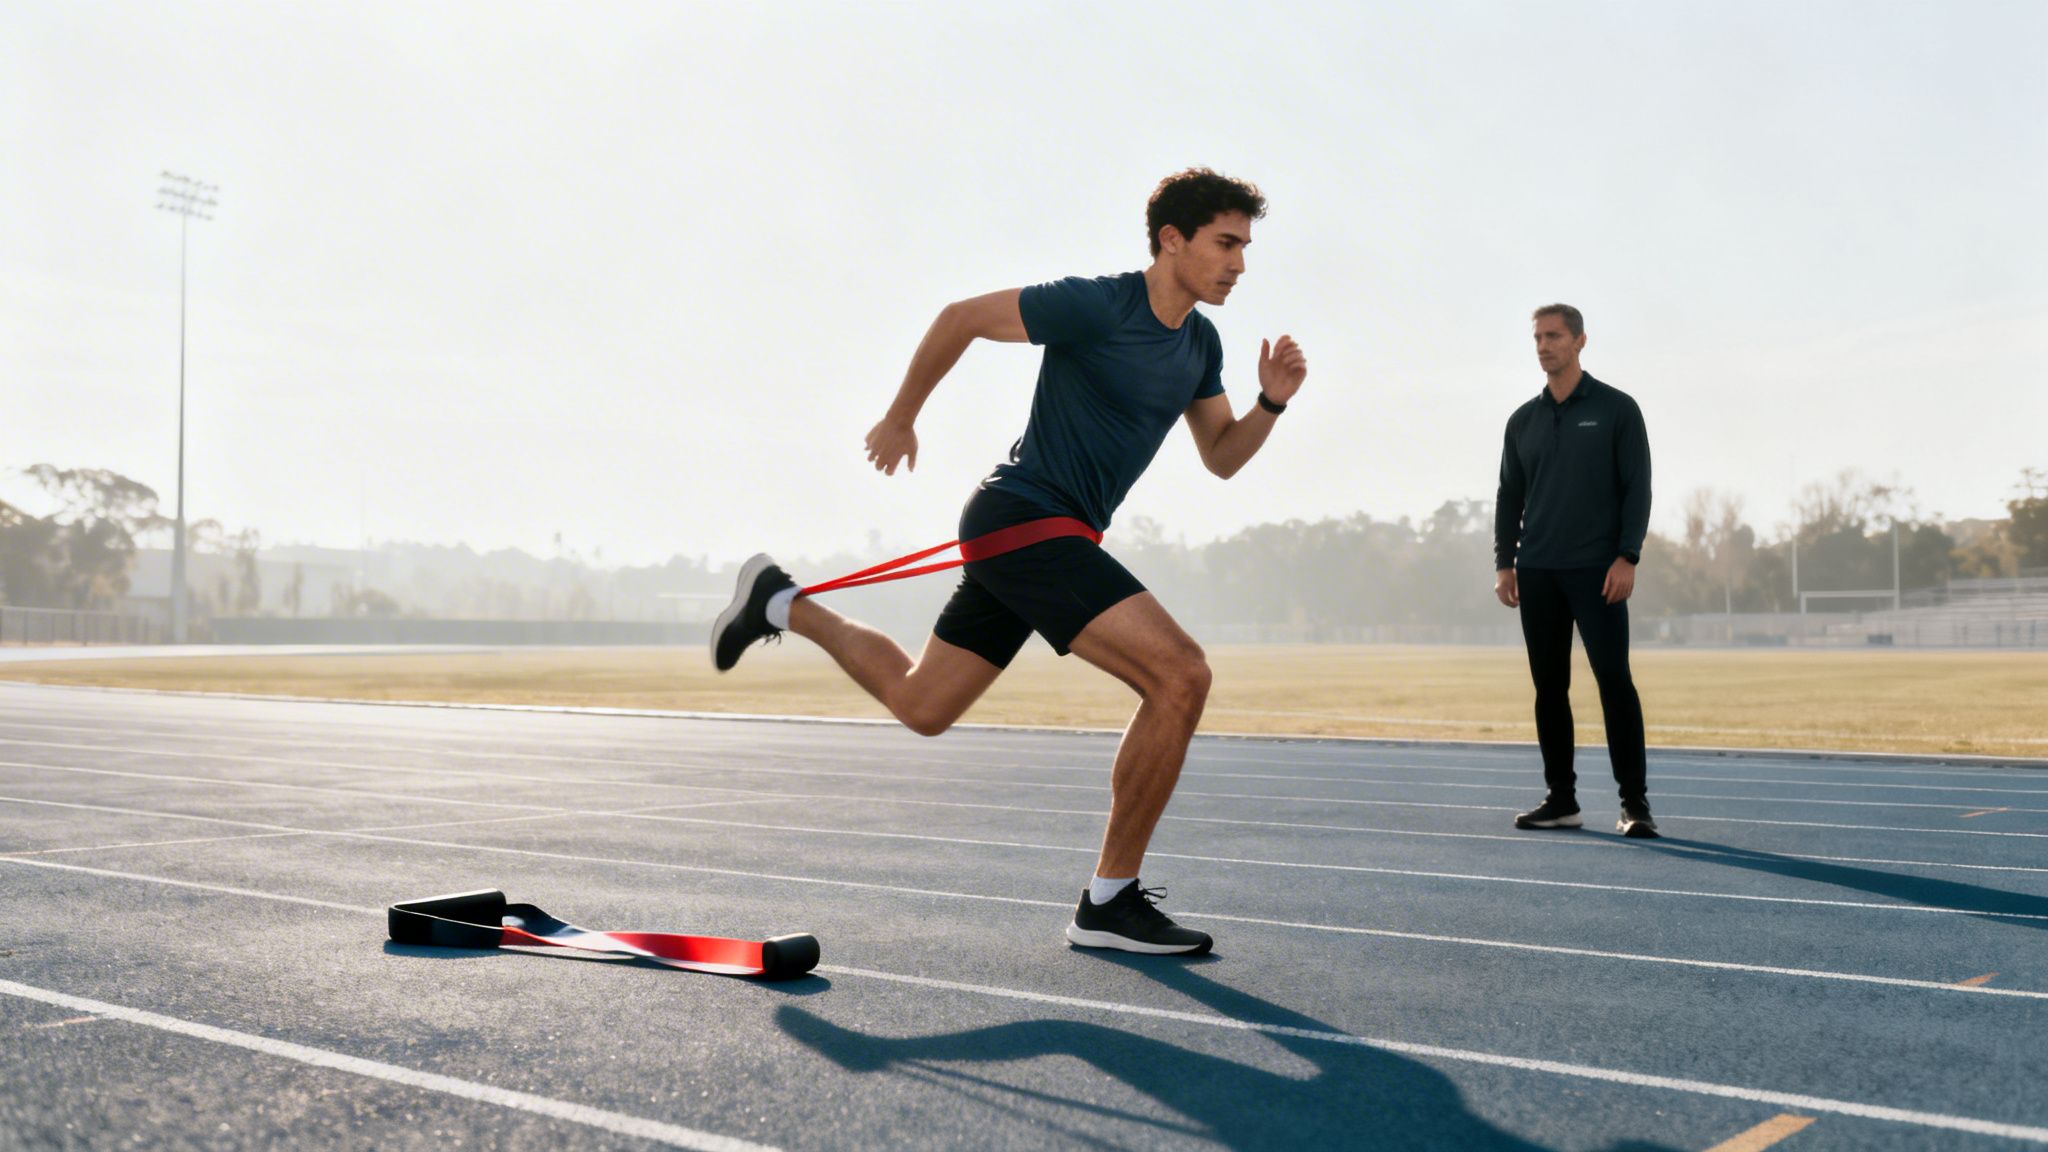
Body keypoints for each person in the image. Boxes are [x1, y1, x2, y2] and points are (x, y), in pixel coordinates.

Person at [712, 168, 1308, 954]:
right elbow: (961, 318)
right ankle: (1109, 901)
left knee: (923, 705)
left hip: (1054, 538)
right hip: (1024, 518)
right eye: (1226, 243)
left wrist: (1270, 403)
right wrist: (901, 417)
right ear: (1172, 239)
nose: (1238, 263)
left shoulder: (1200, 342)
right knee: (1181, 675)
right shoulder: (1099, 304)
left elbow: (1223, 457)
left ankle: (780, 602)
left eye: (1245, 248)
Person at [1493, 303, 1658, 838]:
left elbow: (1638, 488)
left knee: (1614, 682)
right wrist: (1505, 562)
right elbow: (1508, 497)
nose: (1544, 345)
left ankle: (1635, 804)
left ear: (1580, 341)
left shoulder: (1616, 409)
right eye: (1538, 337)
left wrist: (1627, 555)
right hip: (1538, 570)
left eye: (1555, 336)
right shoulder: (1523, 420)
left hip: (1598, 571)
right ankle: (1561, 800)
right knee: (1549, 688)